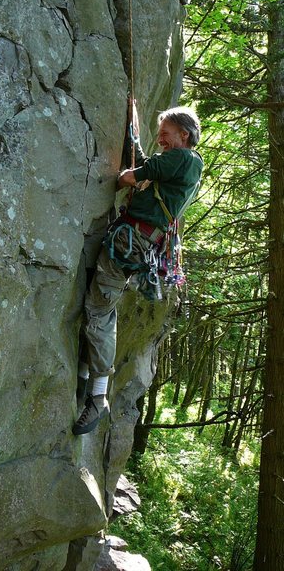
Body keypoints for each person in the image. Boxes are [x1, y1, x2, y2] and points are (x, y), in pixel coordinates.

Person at [72, 106, 203, 435]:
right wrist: (134, 130)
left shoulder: (186, 159)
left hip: (130, 243)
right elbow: (148, 168)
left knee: (99, 308)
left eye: (166, 133)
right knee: (102, 303)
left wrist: (124, 176)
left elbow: (131, 177)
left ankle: (97, 396)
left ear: (184, 135)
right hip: (135, 242)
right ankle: (86, 377)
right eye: (159, 135)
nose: (161, 139)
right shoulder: (180, 166)